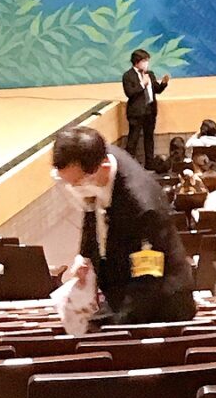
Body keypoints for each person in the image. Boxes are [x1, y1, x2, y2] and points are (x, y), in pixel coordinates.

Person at [51, 125, 196, 324]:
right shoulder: (99, 157)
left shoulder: (143, 207)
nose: (74, 189)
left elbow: (148, 280)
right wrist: (85, 255)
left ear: (103, 168)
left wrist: (115, 324)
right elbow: (90, 206)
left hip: (161, 303)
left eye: (77, 183)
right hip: (122, 283)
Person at [121, 48, 169, 168]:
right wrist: (142, 84)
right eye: (144, 61)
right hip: (136, 113)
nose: (147, 63)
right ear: (137, 62)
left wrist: (163, 84)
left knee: (149, 138)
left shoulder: (150, 74)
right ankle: (128, 165)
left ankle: (149, 163)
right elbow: (129, 93)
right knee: (133, 139)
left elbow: (156, 89)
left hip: (150, 111)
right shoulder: (128, 76)